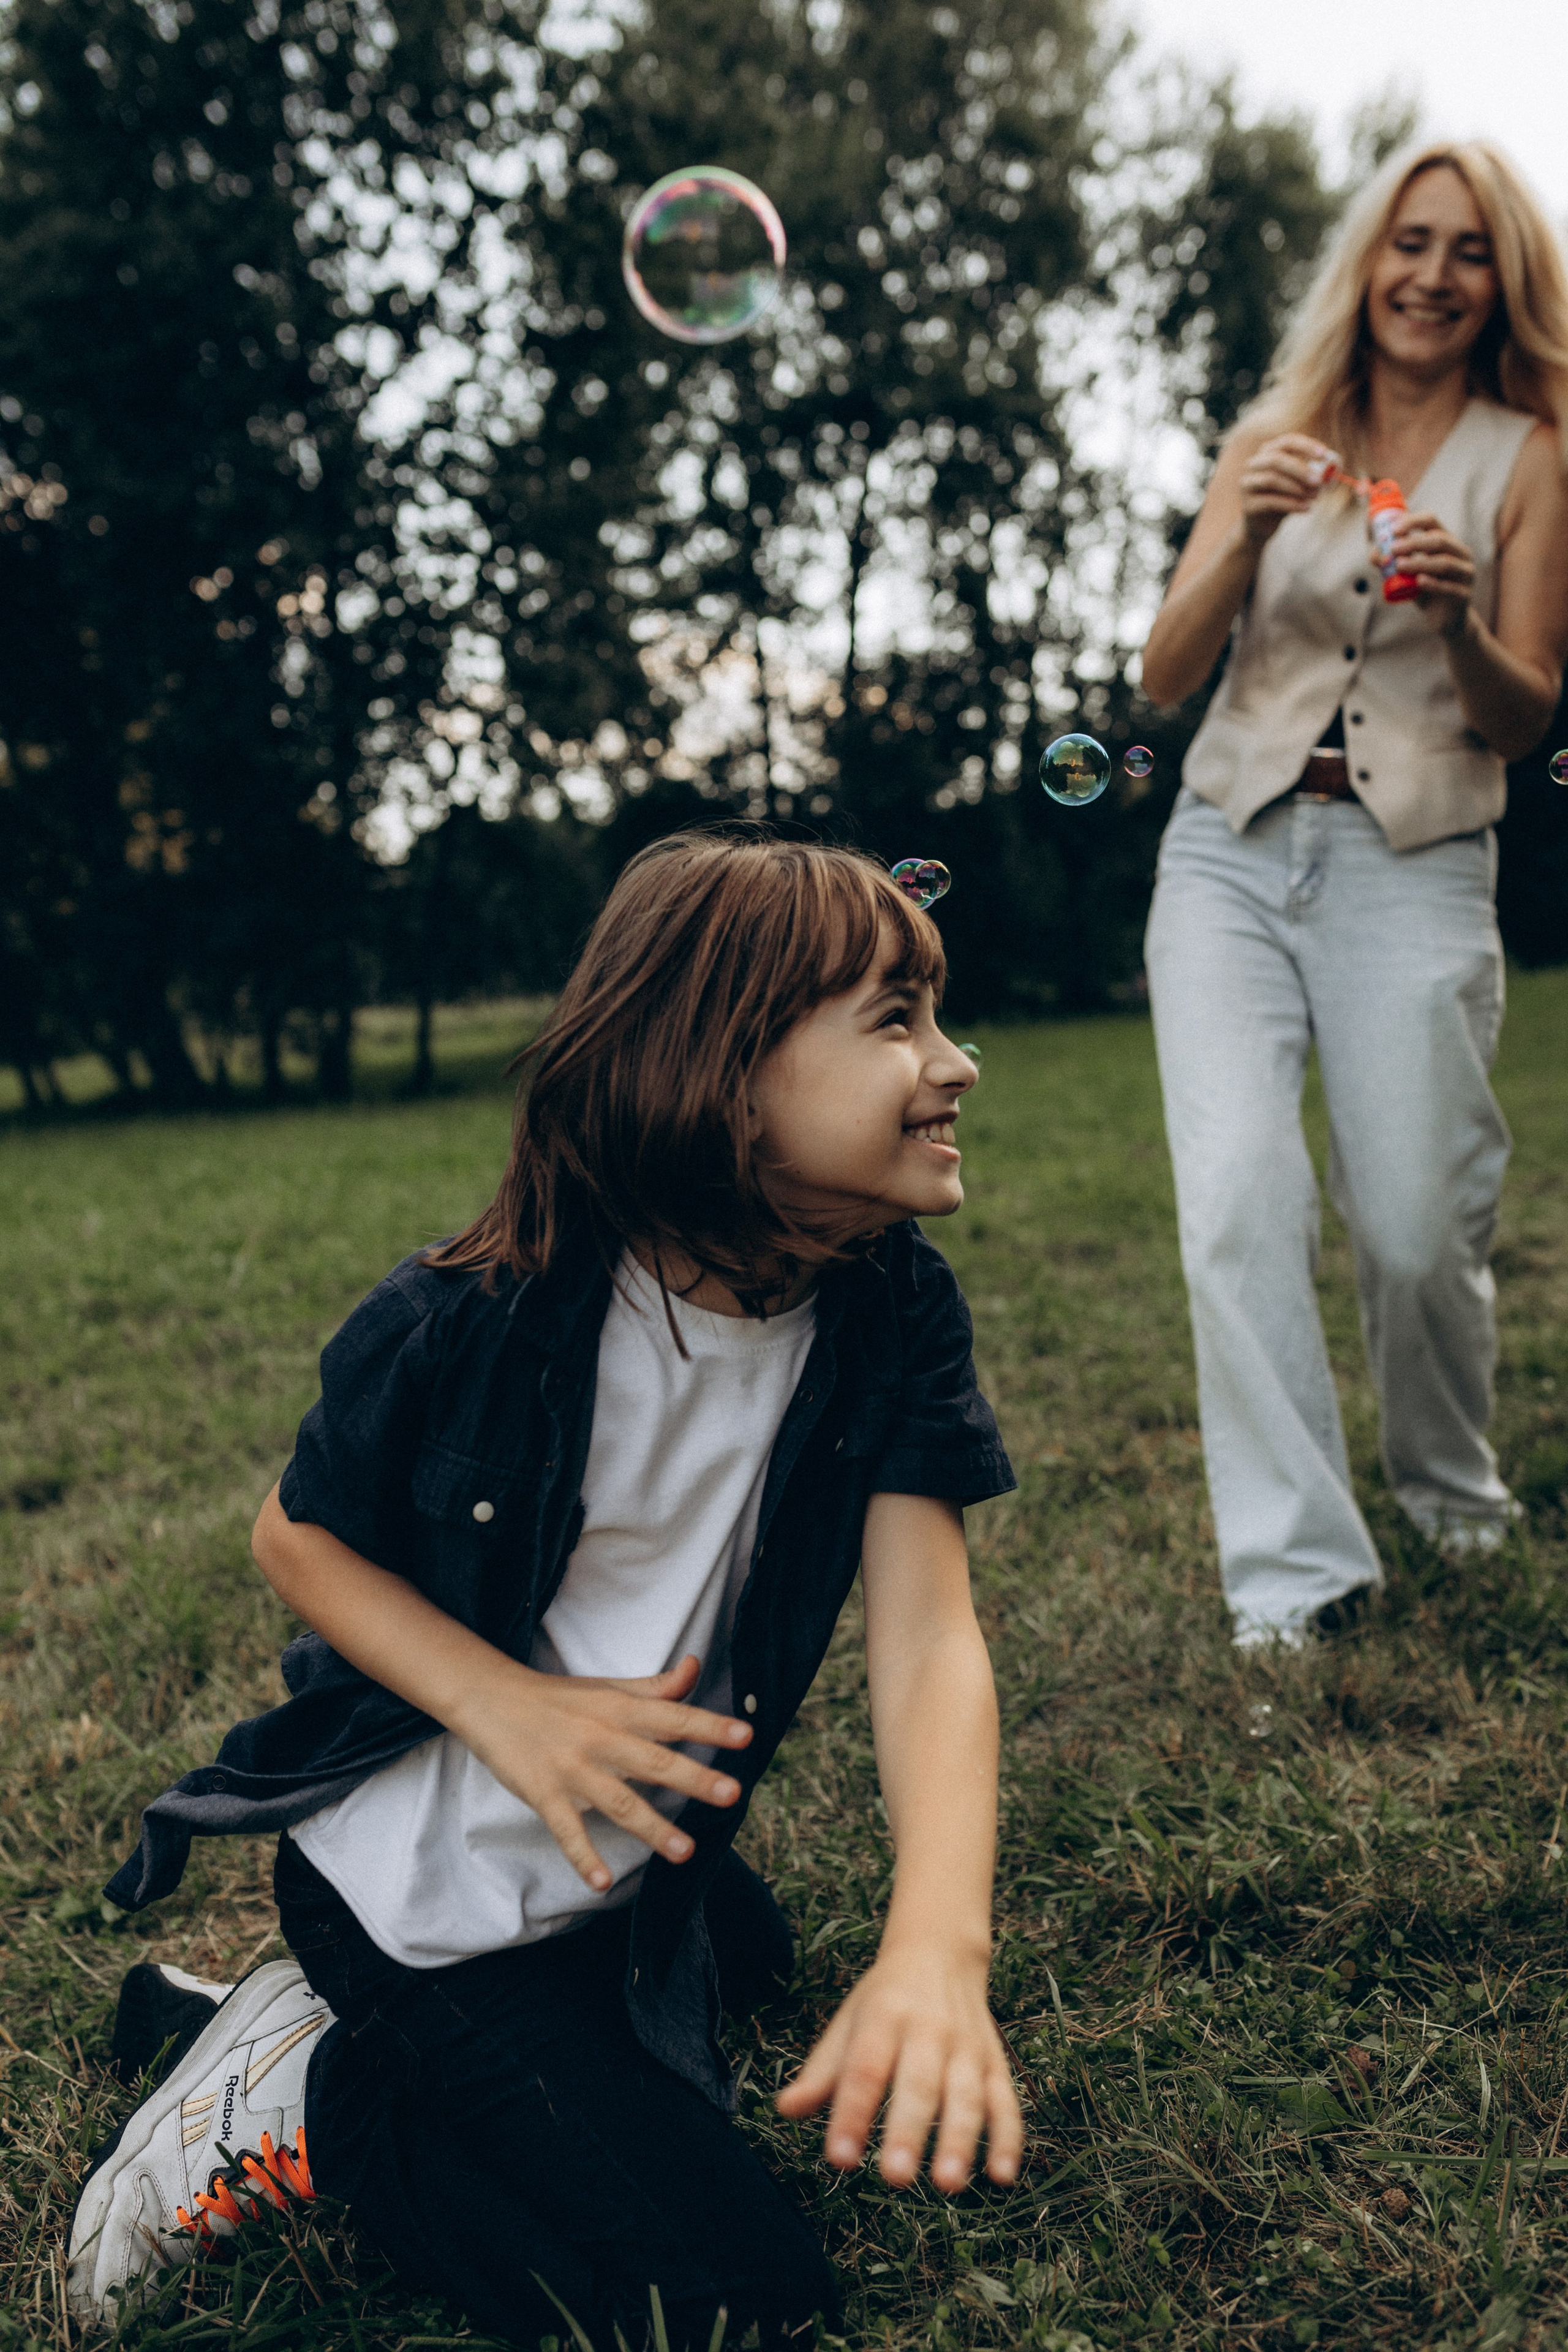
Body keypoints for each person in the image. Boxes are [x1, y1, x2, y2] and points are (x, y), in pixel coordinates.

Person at [67, 832, 1023, 2343]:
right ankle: (307, 2096)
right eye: (894, 1020)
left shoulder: (888, 1303)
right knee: (729, 2307)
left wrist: (936, 1944)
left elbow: (927, 1638)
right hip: (424, 1902)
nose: (955, 1061)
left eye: (938, 1013)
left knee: (744, 1949)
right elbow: (292, 1537)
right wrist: (501, 1705)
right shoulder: (475, 1315)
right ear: (720, 1069)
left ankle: (229, 2022)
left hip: (617, 1862)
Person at [1140, 142, 1568, 1647]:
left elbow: (1522, 717)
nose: (1432, 277)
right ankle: (1294, 1580)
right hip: (1228, 855)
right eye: (1408, 244)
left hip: (1417, 863)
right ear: (1365, 263)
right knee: (1239, 1201)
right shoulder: (1273, 435)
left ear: (1499, 282)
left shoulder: (1526, 454)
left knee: (1407, 1224)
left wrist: (1453, 623)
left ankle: (1449, 1492)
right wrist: (1245, 530)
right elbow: (1161, 673)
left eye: (1466, 252)